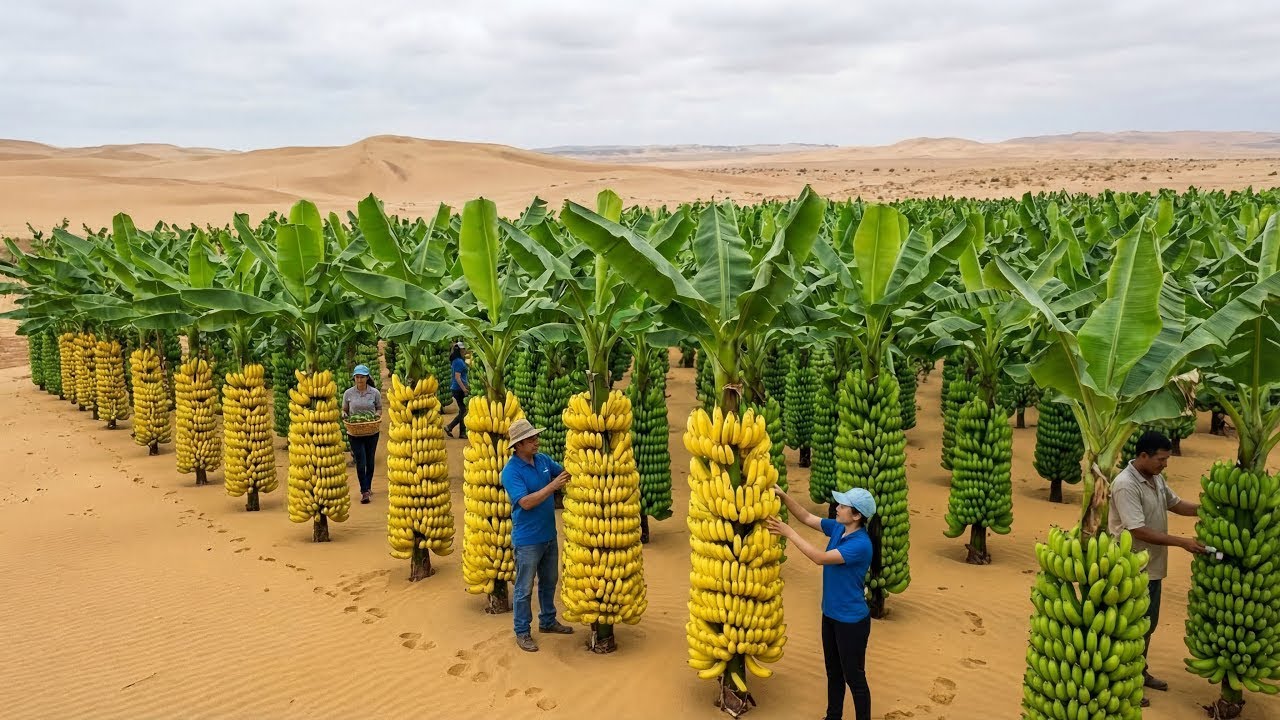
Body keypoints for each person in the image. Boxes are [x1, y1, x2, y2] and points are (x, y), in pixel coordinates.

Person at [1106, 429, 1205, 707]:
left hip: (1153, 567)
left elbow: (1176, 505)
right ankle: (1124, 683)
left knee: (1148, 625)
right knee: (1130, 627)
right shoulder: (1126, 484)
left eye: (1167, 460)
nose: (1165, 464)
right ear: (1143, 455)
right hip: (1130, 568)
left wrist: (1208, 506)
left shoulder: (1156, 478)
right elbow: (1138, 530)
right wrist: (1183, 542)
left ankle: (1140, 671)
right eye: (1161, 459)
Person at [769, 486, 875, 720]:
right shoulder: (840, 528)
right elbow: (806, 517)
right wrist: (785, 496)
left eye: (843, 506)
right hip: (830, 615)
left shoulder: (860, 544)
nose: (837, 508)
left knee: (854, 677)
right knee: (834, 673)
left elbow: (820, 559)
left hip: (851, 622)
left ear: (856, 515)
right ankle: (833, 716)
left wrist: (789, 533)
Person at [500, 418, 574, 651]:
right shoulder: (511, 472)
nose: (536, 441)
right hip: (527, 540)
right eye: (531, 439)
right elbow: (526, 502)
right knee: (523, 588)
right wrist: (552, 487)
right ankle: (522, 631)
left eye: (535, 437)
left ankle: (548, 621)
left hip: (548, 535)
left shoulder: (542, 460)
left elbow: (563, 471)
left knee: (549, 581)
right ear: (518, 445)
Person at [342, 364, 382, 505]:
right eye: (357, 377)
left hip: (372, 431)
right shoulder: (348, 393)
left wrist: (376, 416)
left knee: (370, 461)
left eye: (362, 377)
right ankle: (364, 490)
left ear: (367, 378)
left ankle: (368, 486)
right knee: (361, 461)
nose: (359, 380)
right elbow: (345, 410)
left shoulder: (375, 393)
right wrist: (345, 415)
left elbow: (379, 408)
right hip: (354, 432)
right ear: (354, 378)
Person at [444, 341, 469, 439]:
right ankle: (450, 427)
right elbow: (457, 377)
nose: (465, 351)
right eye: (463, 349)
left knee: (462, 411)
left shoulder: (456, 360)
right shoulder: (458, 361)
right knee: (463, 411)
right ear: (459, 350)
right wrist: (464, 389)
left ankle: (461, 432)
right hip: (458, 389)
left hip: (457, 388)